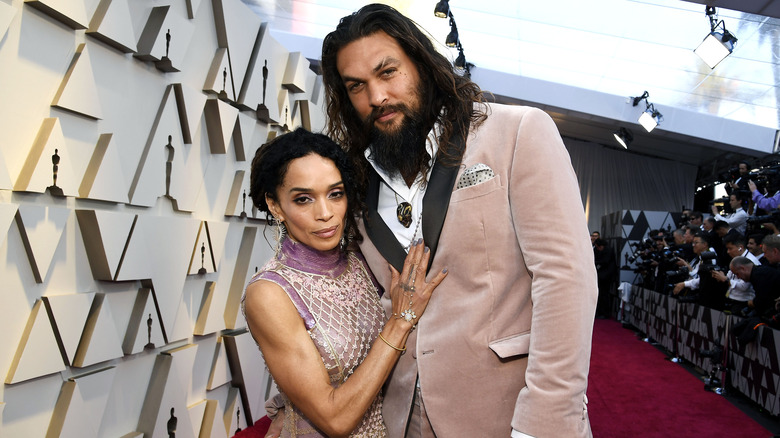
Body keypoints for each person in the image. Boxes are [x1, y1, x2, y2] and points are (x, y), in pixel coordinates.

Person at [320, 4, 597, 437]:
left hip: (507, 414)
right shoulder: (356, 185)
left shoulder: (517, 132)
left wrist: (544, 420)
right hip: (400, 417)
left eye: (388, 72)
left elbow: (566, 280)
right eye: (357, 86)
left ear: (423, 65)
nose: (376, 97)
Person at [242, 128, 447, 437]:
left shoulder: (361, 259)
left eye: (335, 194)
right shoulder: (269, 294)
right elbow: (334, 419)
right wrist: (400, 322)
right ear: (275, 205)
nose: (326, 213)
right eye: (303, 199)